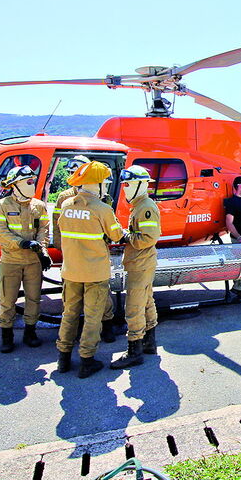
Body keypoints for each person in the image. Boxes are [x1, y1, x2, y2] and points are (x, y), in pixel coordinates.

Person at [55, 161, 124, 378]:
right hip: (94, 272)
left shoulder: (66, 205)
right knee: (93, 317)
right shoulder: (102, 209)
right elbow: (117, 235)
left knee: (70, 314)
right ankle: (87, 360)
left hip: (71, 271)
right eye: (106, 182)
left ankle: (63, 359)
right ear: (97, 185)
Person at [0, 165, 51, 353]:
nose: (32, 185)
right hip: (11, 261)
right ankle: (6, 336)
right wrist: (23, 243)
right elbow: (0, 233)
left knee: (34, 298)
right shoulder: (1, 206)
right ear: (14, 185)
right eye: (28, 181)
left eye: (32, 181)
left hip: (33, 262)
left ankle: (30, 332)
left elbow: (44, 230)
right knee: (8, 299)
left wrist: (42, 251)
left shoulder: (38, 206)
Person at [110, 165, 161, 369]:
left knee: (133, 307)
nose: (124, 189)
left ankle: (134, 350)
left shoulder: (145, 207)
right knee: (147, 302)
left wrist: (125, 236)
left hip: (141, 263)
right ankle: (149, 343)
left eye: (128, 184)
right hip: (141, 262)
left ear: (141, 185)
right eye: (124, 185)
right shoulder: (140, 205)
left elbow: (148, 238)